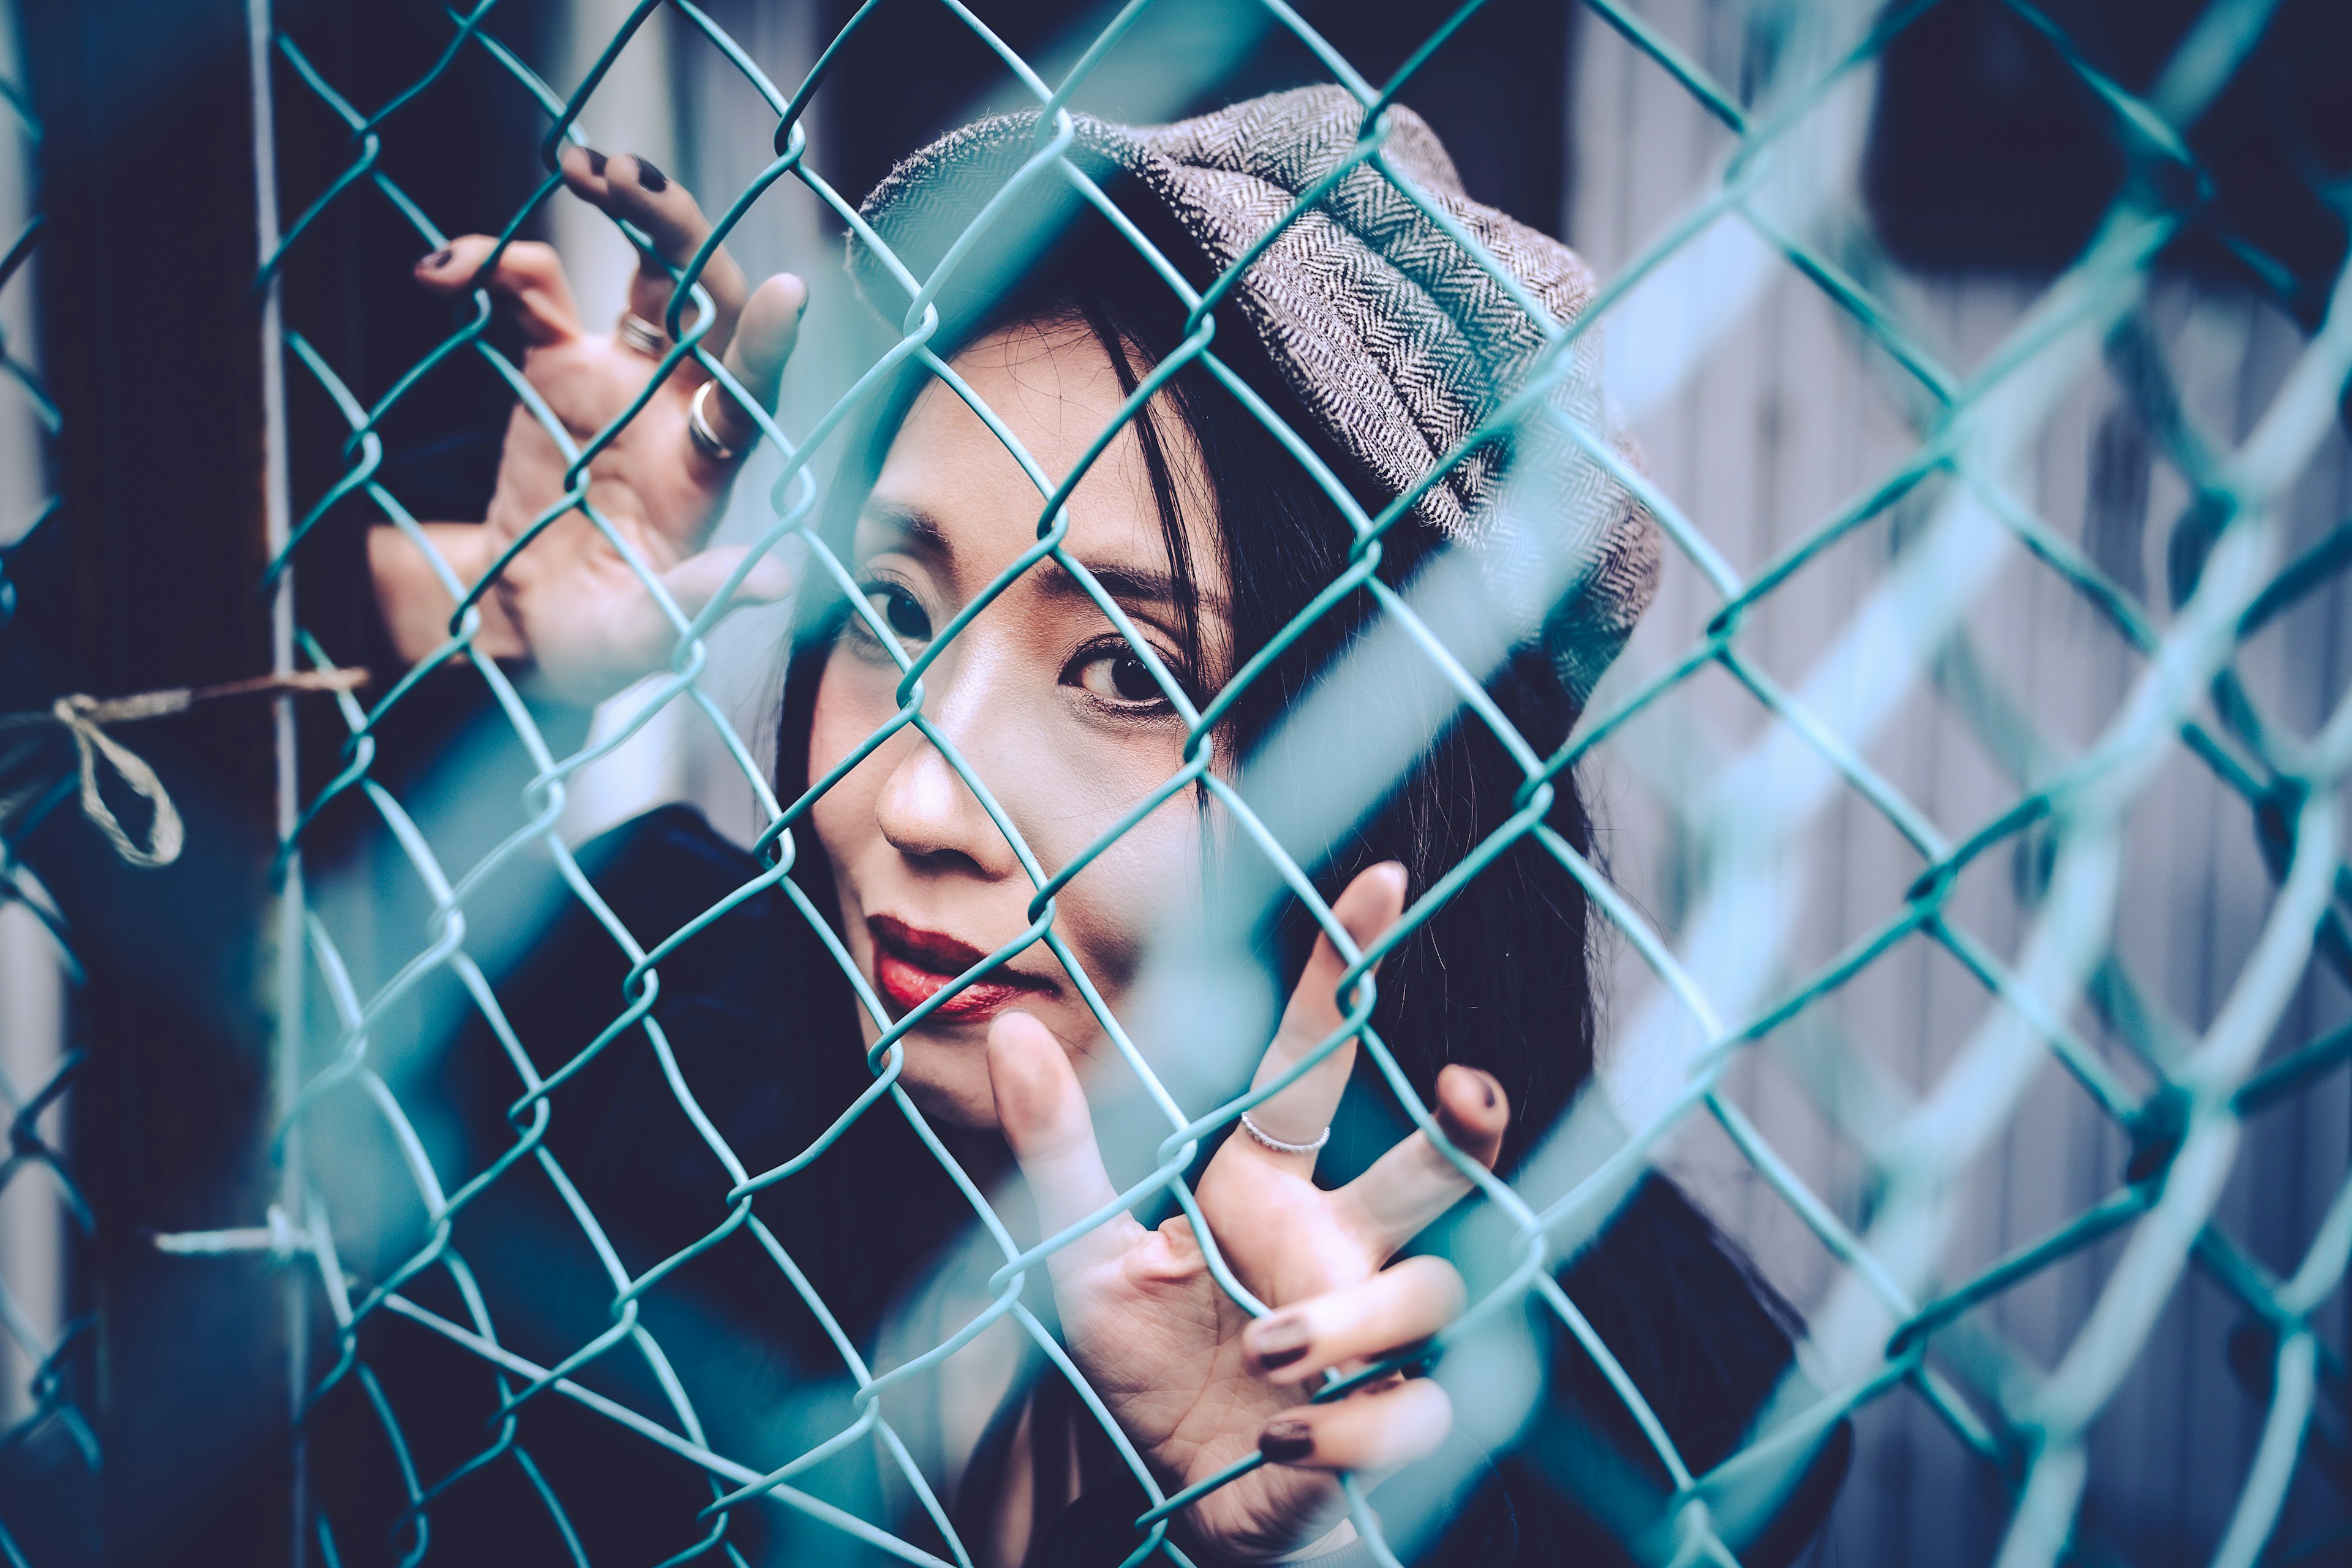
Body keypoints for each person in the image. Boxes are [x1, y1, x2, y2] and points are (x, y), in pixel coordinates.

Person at [349, 87, 1849, 1567]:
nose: (918, 798)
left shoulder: (1659, 1432)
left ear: (1390, 764)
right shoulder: (653, 1001)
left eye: (1130, 673)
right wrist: (467, 645)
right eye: (892, 609)